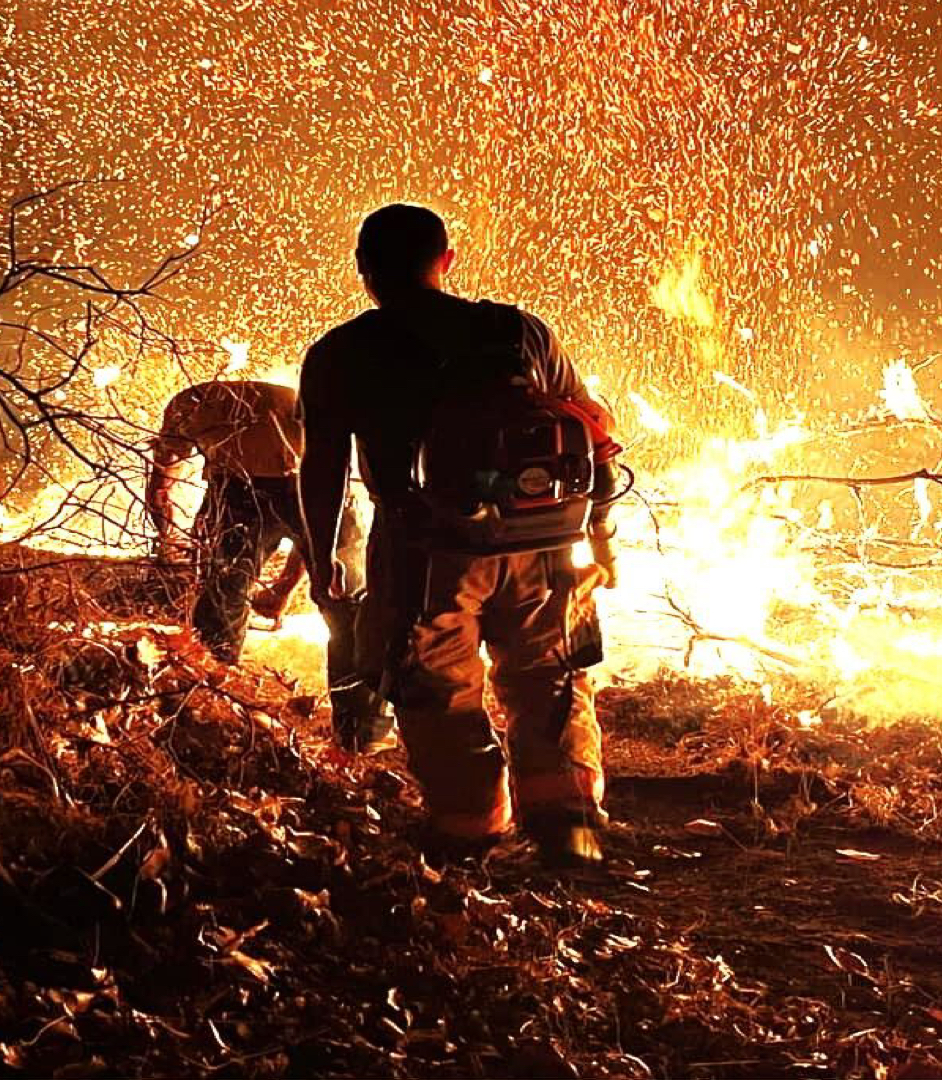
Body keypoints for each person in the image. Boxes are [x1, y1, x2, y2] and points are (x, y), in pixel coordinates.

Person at [298, 203, 620, 867]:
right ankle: (571, 827)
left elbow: (322, 465)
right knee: (549, 676)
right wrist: (599, 527)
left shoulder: (342, 353)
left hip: (425, 552)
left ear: (363, 269)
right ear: (447, 261)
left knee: (435, 687)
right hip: (543, 544)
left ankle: (469, 830)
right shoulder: (516, 330)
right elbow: (591, 427)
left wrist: (320, 553)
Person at [146, 378, 390, 750]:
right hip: (286, 484)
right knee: (344, 606)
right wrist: (283, 590)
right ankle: (361, 732)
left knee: (222, 598)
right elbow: (319, 524)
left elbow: (160, 488)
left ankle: (211, 702)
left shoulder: (189, 405)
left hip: (279, 485)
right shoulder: (209, 406)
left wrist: (169, 542)